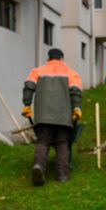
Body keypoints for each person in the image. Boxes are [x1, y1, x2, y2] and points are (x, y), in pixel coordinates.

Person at [21, 48, 83, 185]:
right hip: (64, 116)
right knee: (62, 143)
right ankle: (62, 175)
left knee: (43, 142)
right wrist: (77, 108)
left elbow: (29, 86)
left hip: (43, 116)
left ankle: (38, 166)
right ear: (62, 59)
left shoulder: (37, 71)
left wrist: (27, 104)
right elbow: (75, 92)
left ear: (48, 59)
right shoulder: (71, 73)